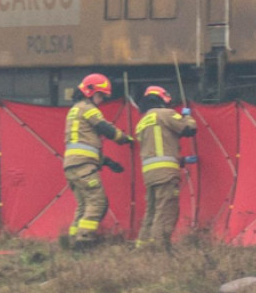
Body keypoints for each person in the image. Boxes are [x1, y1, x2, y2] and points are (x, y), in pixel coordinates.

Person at [62, 74, 132, 247]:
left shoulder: (75, 110)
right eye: (100, 95)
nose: (101, 100)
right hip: (82, 166)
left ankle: (71, 240)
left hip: (72, 166)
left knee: (84, 205)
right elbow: (104, 127)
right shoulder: (87, 108)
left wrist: (108, 162)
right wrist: (123, 138)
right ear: (90, 91)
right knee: (98, 202)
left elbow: (84, 144)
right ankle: (84, 241)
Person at [133, 86, 197, 249]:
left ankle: (143, 246)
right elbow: (188, 129)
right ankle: (160, 249)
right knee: (166, 210)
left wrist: (181, 160)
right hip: (166, 174)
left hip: (150, 174)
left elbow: (159, 147)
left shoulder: (142, 122)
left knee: (152, 211)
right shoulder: (164, 114)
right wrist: (187, 116)